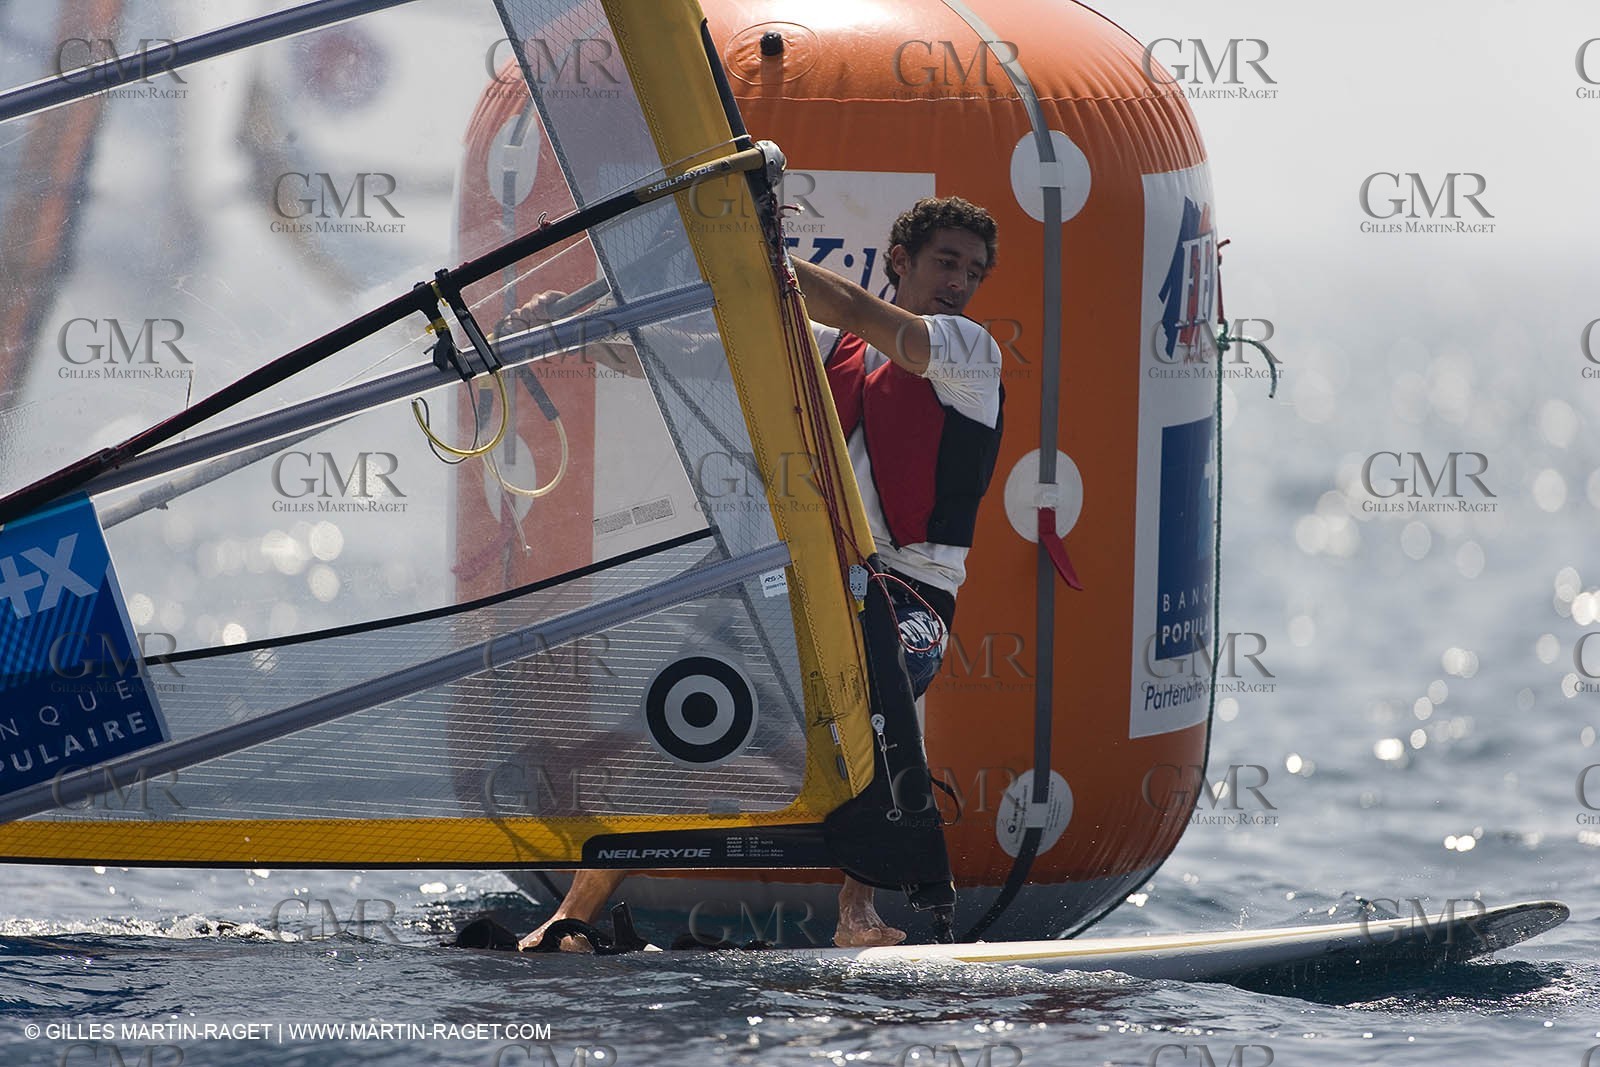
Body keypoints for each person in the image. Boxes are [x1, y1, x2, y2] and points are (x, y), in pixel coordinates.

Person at [518, 196, 1004, 951]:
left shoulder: (967, 351)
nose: (959, 282)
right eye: (946, 261)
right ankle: (571, 916)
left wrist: (761, 257)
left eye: (973, 272)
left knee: (868, 700)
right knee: (679, 712)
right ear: (900, 260)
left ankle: (860, 912)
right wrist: (579, 331)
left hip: (910, 590)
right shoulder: (819, 345)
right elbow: (682, 348)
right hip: (810, 575)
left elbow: (869, 318)